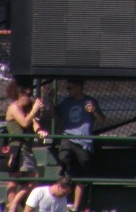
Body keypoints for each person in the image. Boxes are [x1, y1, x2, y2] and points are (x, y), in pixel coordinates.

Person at [55, 80, 105, 212]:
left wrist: (94, 112)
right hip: (68, 137)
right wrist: (49, 101)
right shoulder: (66, 102)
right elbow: (54, 115)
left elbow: (102, 120)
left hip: (84, 142)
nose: (68, 90)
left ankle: (76, 207)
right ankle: (66, 171)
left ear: (79, 87)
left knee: (80, 177)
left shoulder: (90, 101)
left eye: (70, 88)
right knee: (64, 155)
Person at [4, 81, 48, 212]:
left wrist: (39, 130)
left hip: (26, 147)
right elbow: (24, 123)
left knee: (29, 180)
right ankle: (13, 206)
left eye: (30, 95)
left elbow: (33, 123)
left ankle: (13, 206)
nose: (29, 98)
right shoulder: (14, 107)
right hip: (18, 147)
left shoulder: (27, 110)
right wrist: (34, 110)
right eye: (27, 95)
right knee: (25, 179)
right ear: (19, 94)